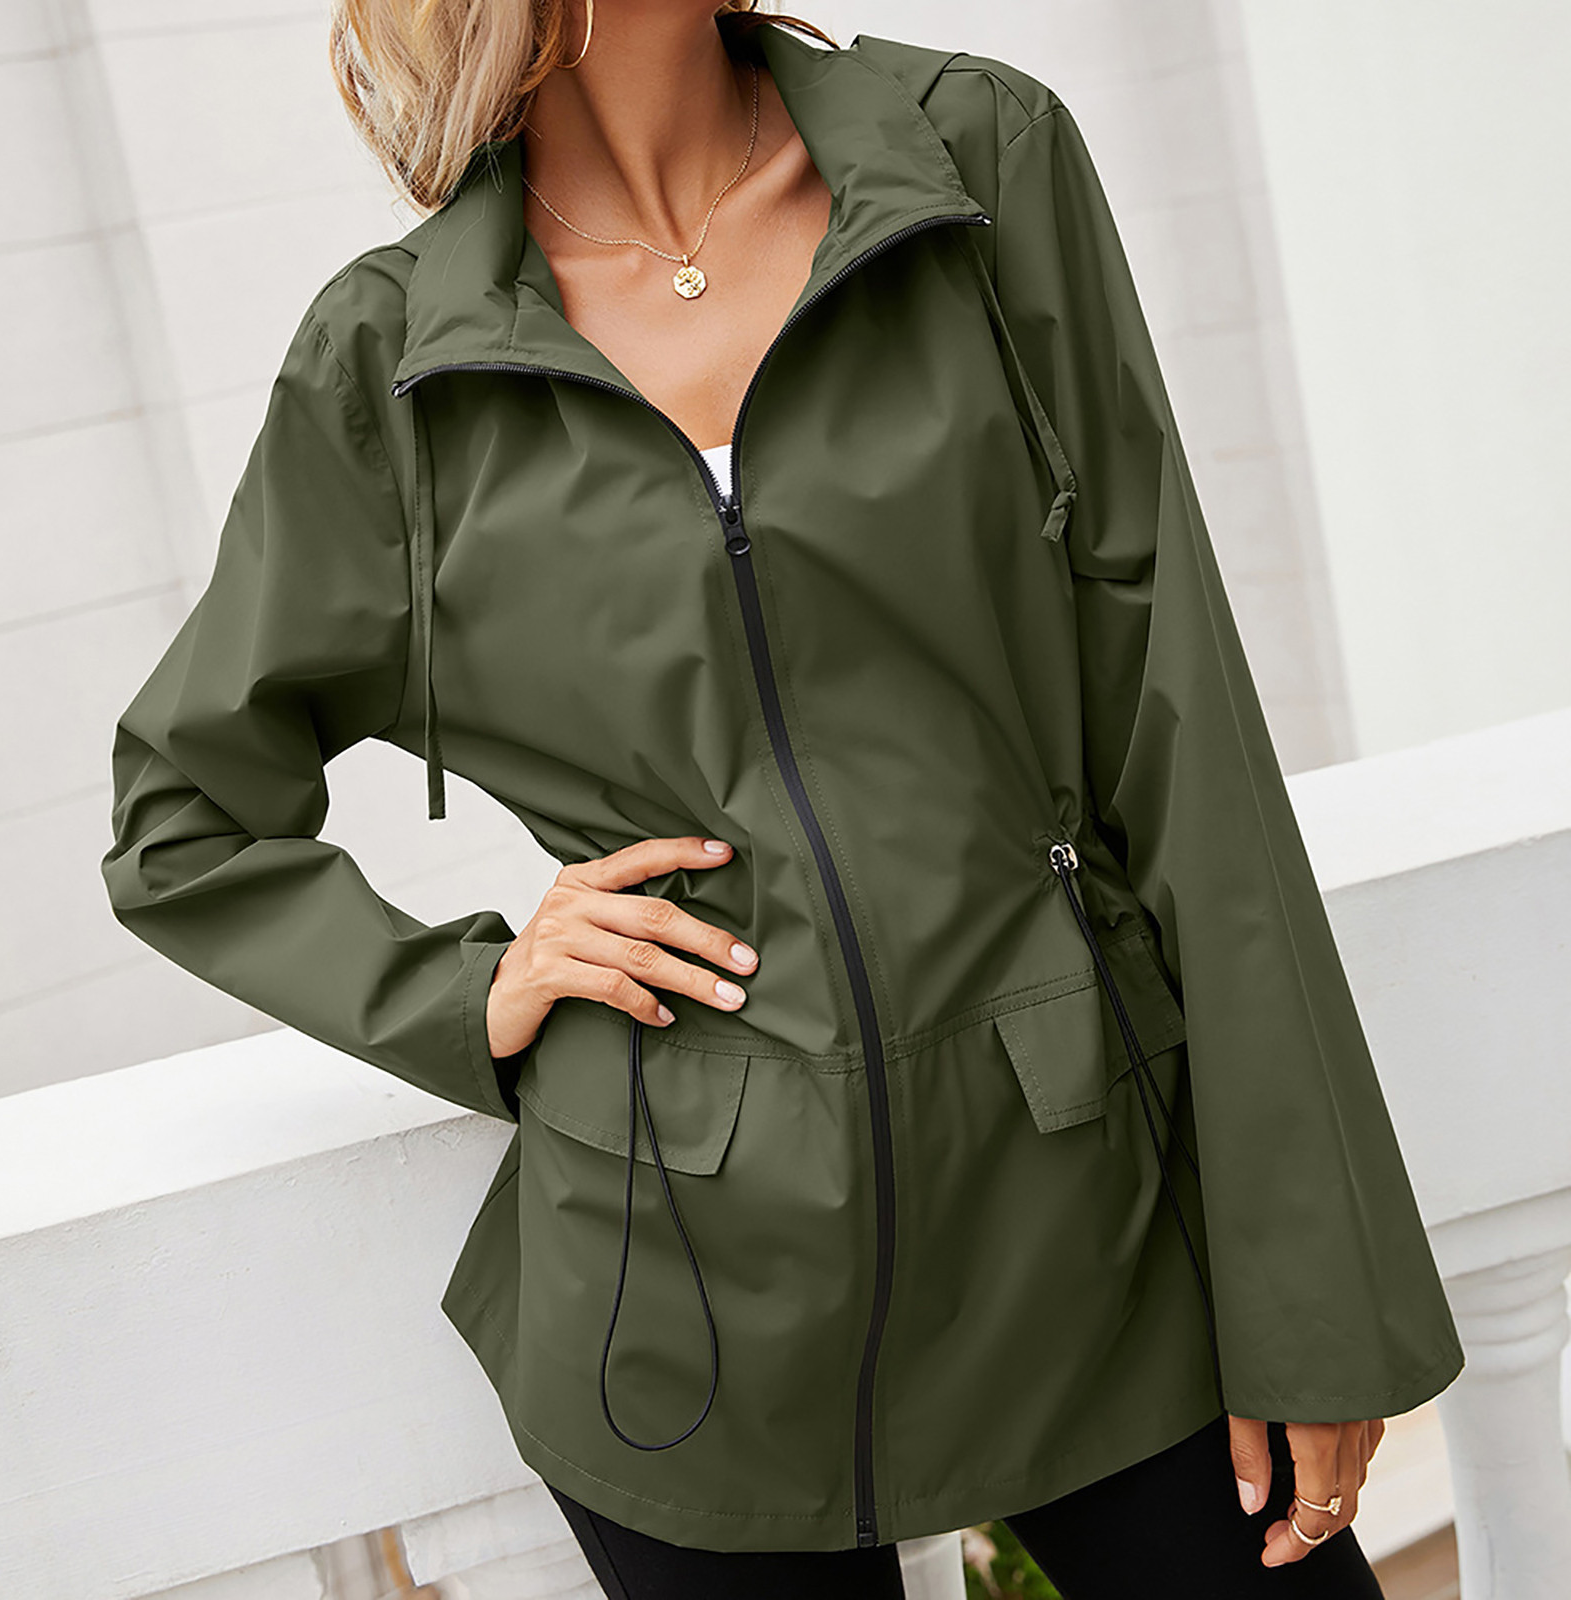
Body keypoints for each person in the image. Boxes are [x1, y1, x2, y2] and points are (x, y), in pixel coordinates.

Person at [100, 2, 1465, 1595]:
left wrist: (1314, 1295)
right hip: (683, 1313)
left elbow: (1189, 742)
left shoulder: (973, 165)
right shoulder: (392, 362)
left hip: (1087, 1213)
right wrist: (471, 994)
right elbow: (182, 817)